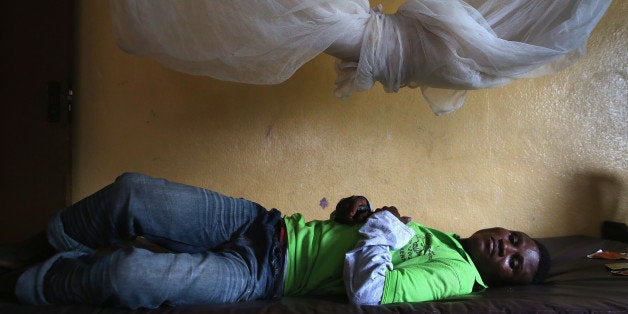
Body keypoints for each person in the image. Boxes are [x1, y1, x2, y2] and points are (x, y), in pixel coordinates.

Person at [0, 172, 550, 308]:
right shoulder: (444, 238)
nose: (506, 248)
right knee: (133, 192)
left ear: (503, 281)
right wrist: (350, 213)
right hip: (266, 224)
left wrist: (382, 226)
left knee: (128, 275)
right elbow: (353, 245)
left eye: (515, 263)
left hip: (263, 273)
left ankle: (30, 281)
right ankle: (42, 242)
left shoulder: (455, 276)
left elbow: (369, 293)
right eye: (515, 238)